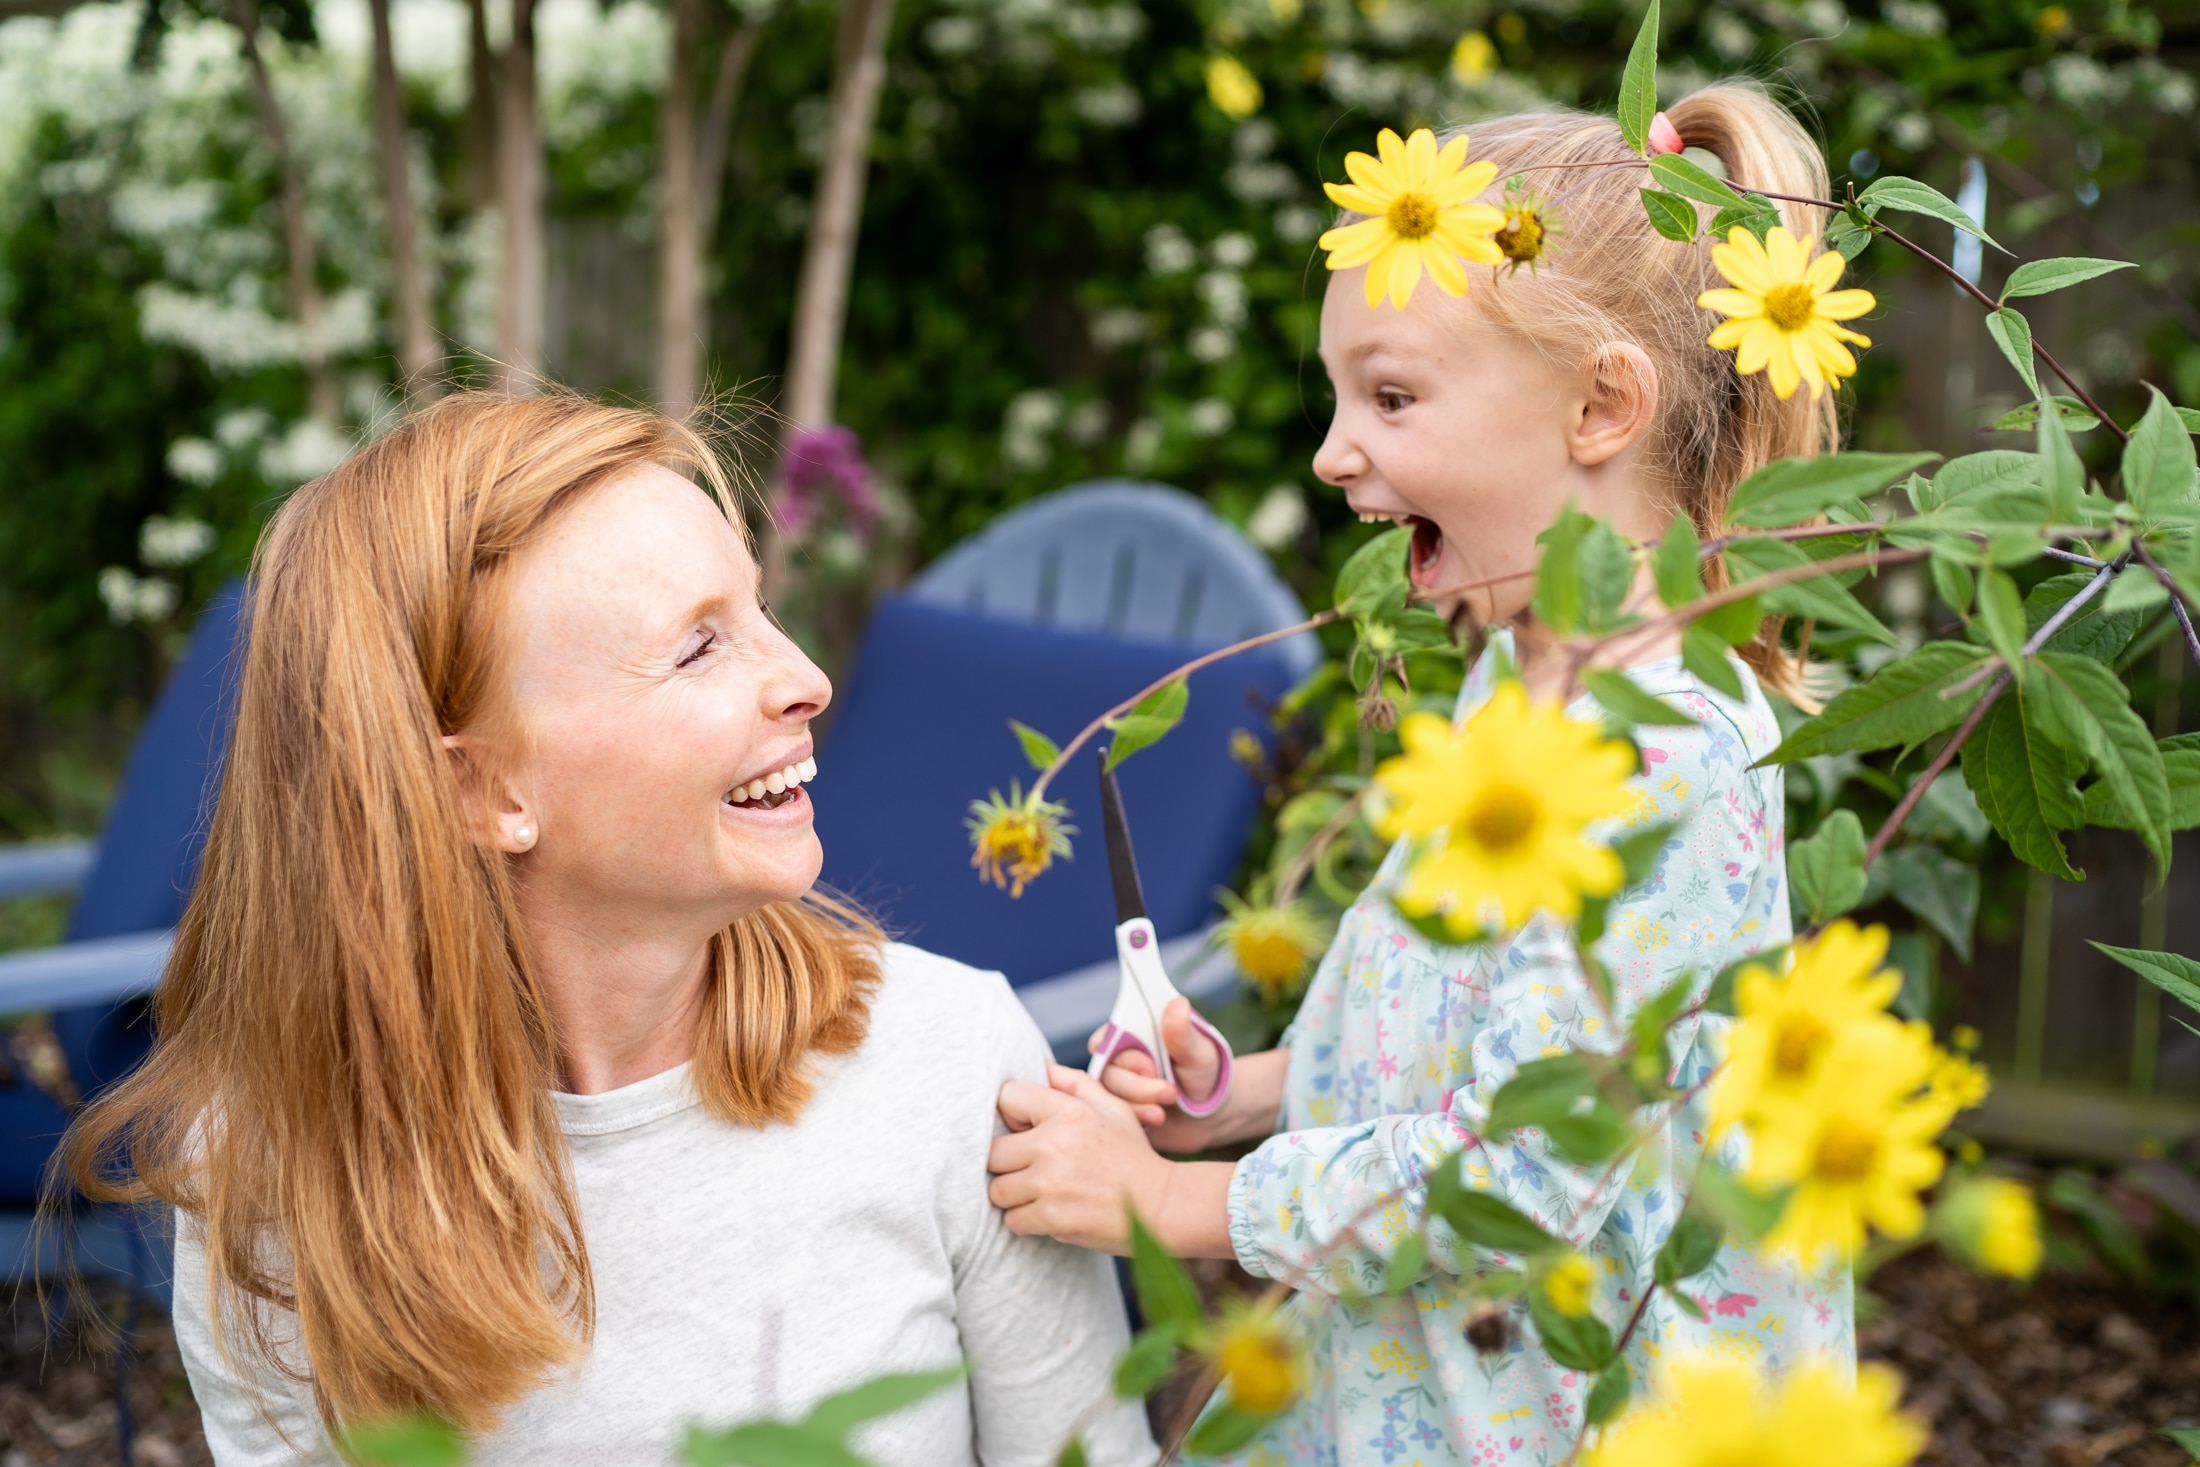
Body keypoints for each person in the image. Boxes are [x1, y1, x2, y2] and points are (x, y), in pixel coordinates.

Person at [984, 87, 1850, 1466]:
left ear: (1599, 403)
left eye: (1390, 395)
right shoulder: (1523, 686)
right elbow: (1463, 1032)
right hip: (1422, 1377)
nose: (1334, 451)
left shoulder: (1665, 755)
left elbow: (1526, 1167)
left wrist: (1172, 1201)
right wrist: (1249, 1092)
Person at [58, 393, 1152, 1467]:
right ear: (482, 790)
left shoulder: (953, 1068)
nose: (808, 680)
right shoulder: (266, 1172)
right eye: (697, 649)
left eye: (759, 611)